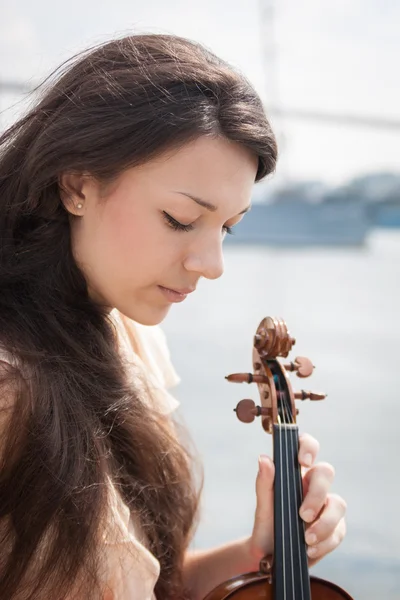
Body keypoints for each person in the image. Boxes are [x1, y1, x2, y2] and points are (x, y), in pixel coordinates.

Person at [0, 33, 346, 600]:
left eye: (228, 227)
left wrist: (258, 552)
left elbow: (137, 583)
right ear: (77, 184)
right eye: (181, 219)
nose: (212, 265)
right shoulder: (10, 388)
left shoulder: (125, 335)